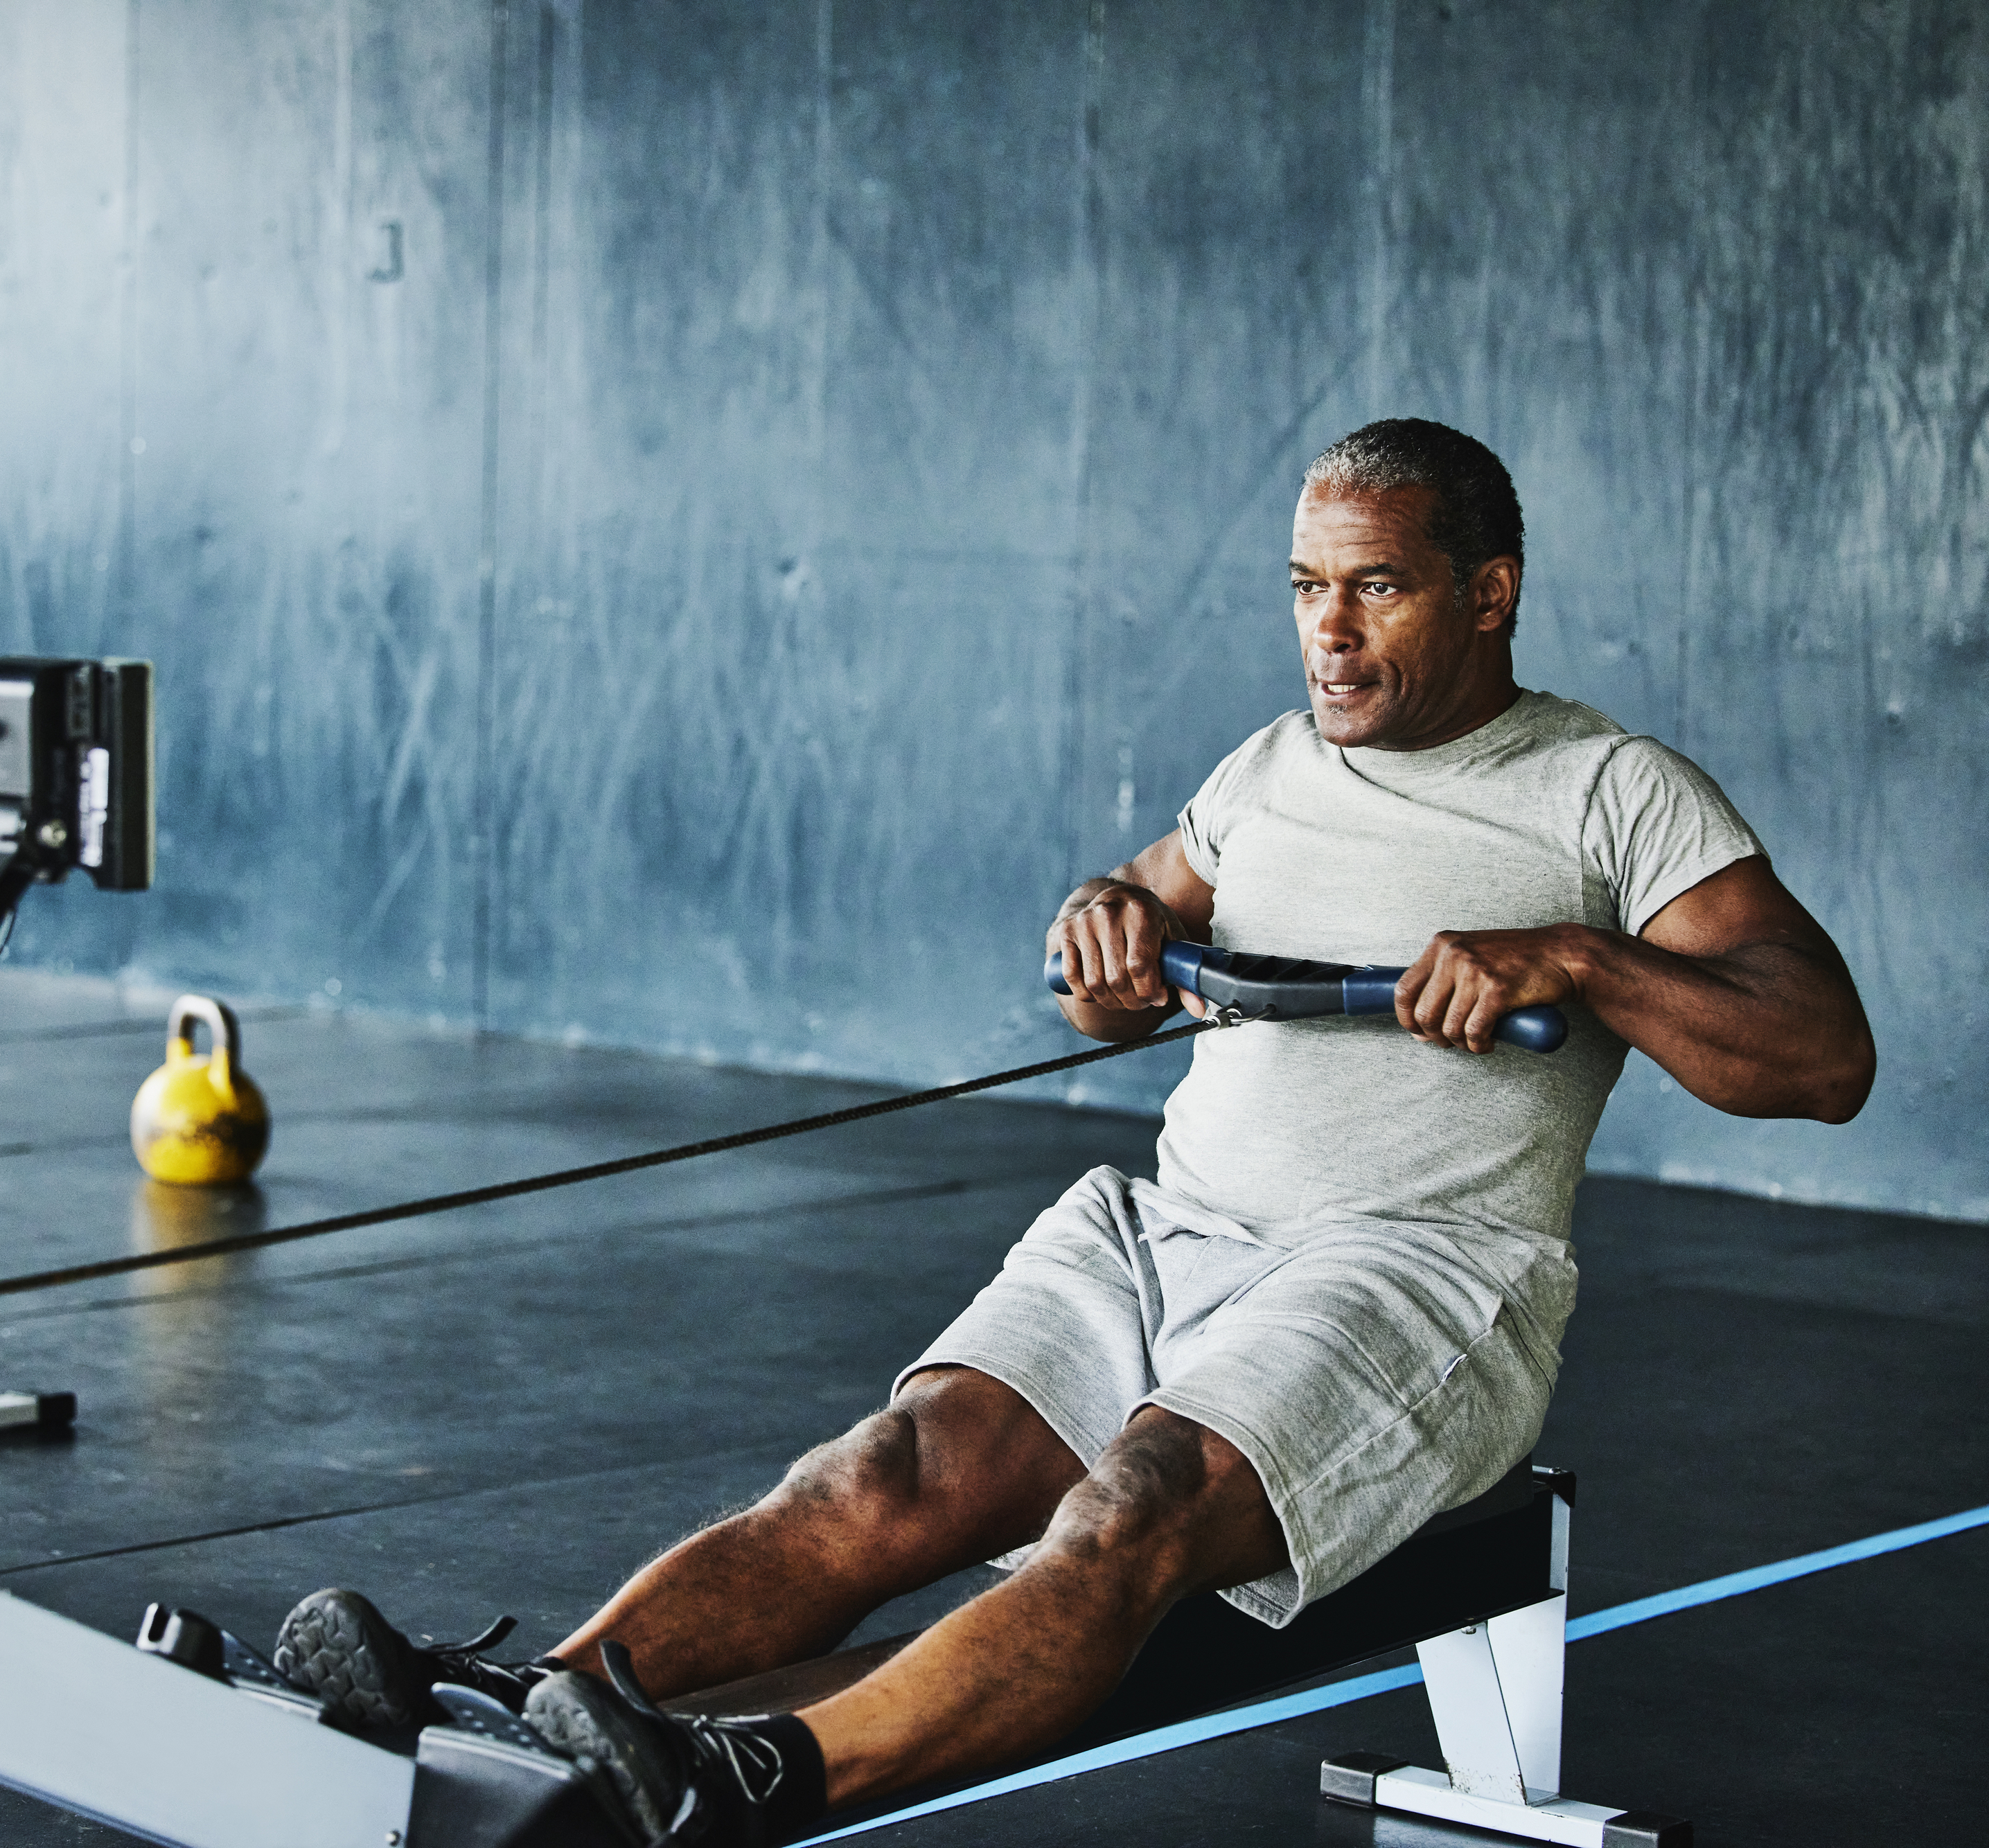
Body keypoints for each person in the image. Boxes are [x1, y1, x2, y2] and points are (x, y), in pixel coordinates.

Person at [264, 419, 1878, 1845]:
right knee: (879, 1476)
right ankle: (509, 1707)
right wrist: (1102, 926)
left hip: (1410, 1271)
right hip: (1168, 1235)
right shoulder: (1266, 766)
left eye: (1373, 586)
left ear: (1487, 591)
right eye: (1304, 585)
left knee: (1129, 1506)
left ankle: (751, 1784)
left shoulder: (1608, 791)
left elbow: (1820, 1061)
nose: (1327, 628)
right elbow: (1111, 962)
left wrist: (1579, 956)